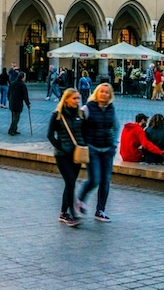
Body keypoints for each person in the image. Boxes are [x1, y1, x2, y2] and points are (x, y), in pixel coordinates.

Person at [78, 83, 117, 222]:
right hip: (92, 148)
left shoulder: (111, 109)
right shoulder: (88, 108)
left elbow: (116, 126)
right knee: (95, 179)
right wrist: (83, 144)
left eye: (107, 92)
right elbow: (79, 126)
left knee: (105, 181)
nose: (104, 94)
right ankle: (81, 200)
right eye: (101, 91)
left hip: (107, 149)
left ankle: (100, 210)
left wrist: (114, 144)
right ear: (96, 92)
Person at [46, 88, 85, 227]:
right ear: (66, 99)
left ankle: (63, 212)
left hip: (76, 155)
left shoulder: (80, 114)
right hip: (62, 155)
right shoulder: (57, 115)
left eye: (78, 98)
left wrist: (83, 145)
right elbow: (50, 135)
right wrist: (60, 146)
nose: (77, 101)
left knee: (71, 184)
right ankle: (72, 215)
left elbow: (84, 132)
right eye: (74, 98)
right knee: (70, 183)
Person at [6, 70, 31, 135]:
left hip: (12, 102)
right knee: (16, 117)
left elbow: (8, 93)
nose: (25, 78)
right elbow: (25, 96)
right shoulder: (22, 85)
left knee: (13, 116)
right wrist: (28, 104)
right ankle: (11, 130)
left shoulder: (12, 83)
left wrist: (9, 99)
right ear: (22, 77)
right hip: (18, 103)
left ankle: (14, 129)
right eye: (24, 77)